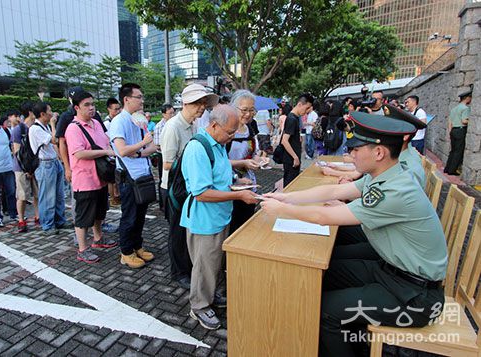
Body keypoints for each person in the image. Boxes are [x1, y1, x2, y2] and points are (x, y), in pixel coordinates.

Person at [261, 112, 447, 357]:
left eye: (356, 149)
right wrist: (287, 197)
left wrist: (282, 210)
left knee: (324, 310)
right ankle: (348, 342)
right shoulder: (382, 176)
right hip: (390, 271)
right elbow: (332, 192)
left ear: (379, 153)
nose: (351, 154)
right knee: (318, 275)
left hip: (414, 295)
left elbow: (325, 217)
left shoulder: (395, 190)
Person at [180, 105, 258, 330]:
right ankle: (199, 306)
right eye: (230, 132)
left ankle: (210, 296)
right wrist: (239, 195)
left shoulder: (218, 144)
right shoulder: (198, 148)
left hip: (220, 215)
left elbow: (218, 174)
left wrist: (236, 183)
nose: (233, 136)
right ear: (214, 125)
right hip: (205, 219)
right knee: (204, 266)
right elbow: (201, 192)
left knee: (214, 262)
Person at [160, 83, 219, 287]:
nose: (202, 107)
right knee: (176, 233)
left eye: (204, 103)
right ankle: (178, 273)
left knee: (187, 230)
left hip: (187, 186)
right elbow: (167, 163)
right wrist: (193, 161)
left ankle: (187, 268)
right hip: (173, 188)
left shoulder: (194, 125)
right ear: (185, 103)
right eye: (197, 103)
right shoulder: (173, 127)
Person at [65, 91, 118, 263]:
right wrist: (105, 152)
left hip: (100, 177)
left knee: (99, 212)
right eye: (86, 105)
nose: (91, 108)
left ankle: (98, 238)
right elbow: (79, 153)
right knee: (83, 216)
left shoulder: (96, 123)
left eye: (92, 104)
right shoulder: (73, 128)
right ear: (76, 108)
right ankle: (82, 249)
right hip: (85, 179)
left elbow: (107, 141)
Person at [109, 83, 157, 269]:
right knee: (129, 216)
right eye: (139, 97)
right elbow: (121, 150)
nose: (142, 101)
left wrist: (137, 152)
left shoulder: (140, 120)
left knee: (140, 216)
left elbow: (152, 148)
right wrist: (143, 144)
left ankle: (137, 246)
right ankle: (126, 252)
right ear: (126, 99)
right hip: (129, 177)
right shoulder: (119, 121)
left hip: (142, 175)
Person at [30, 102, 71, 235]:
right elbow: (54, 140)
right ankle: (47, 225)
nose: (52, 113)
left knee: (59, 194)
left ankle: (60, 220)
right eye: (49, 111)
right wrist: (54, 124)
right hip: (45, 164)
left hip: (54, 162)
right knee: (47, 196)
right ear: (42, 114)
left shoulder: (44, 126)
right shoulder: (35, 129)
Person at [228, 90, 262, 234]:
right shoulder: (227, 129)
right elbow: (218, 162)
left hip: (249, 185)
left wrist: (258, 160)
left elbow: (255, 152)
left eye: (251, 110)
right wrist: (243, 164)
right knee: (233, 228)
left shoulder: (251, 128)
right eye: (244, 110)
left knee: (246, 226)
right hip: (230, 188)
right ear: (233, 108)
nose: (248, 114)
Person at [11, 101, 40, 233]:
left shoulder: (36, 127)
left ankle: (38, 216)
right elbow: (16, 152)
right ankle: (21, 220)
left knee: (37, 194)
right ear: (30, 112)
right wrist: (26, 169)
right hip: (22, 168)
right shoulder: (19, 129)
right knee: (22, 195)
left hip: (35, 166)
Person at [280, 93, 315, 187]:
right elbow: (284, 140)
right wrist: (295, 157)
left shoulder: (295, 118)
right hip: (291, 159)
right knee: (289, 185)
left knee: (291, 184)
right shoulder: (292, 119)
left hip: (293, 157)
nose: (307, 111)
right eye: (306, 108)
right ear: (300, 104)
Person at [444, 90, 472, 176]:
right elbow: (464, 121)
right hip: (460, 130)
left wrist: (450, 132)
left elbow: (450, 122)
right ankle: (452, 170)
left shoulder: (454, 109)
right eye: (470, 98)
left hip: (453, 130)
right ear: (467, 98)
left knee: (452, 150)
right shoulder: (466, 108)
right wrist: (471, 120)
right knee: (458, 151)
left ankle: (447, 168)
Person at [154, 103, 175, 210]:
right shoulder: (159, 126)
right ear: (163, 114)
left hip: (172, 155)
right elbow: (157, 144)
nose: (172, 115)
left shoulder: (175, 124)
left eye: (173, 112)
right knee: (163, 178)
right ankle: (162, 204)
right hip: (162, 156)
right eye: (169, 113)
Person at [104, 97, 122, 206]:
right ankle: (113, 198)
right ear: (109, 109)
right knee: (111, 180)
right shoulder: (107, 123)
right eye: (115, 109)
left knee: (116, 179)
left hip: (116, 153)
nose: (117, 111)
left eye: (118, 109)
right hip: (111, 154)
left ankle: (116, 196)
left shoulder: (116, 121)